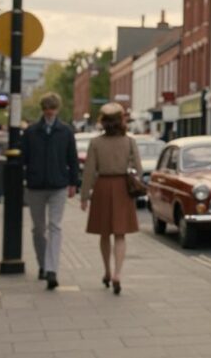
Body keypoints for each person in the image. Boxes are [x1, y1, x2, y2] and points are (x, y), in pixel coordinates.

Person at [80, 103, 141, 295]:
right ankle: (117, 273)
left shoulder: (96, 143)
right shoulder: (129, 142)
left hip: (102, 188)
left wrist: (84, 196)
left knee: (104, 233)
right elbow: (138, 169)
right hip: (122, 187)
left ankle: (106, 270)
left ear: (103, 121)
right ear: (121, 120)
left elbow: (89, 171)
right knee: (120, 234)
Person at [22, 92, 79, 290]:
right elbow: (24, 158)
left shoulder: (65, 131)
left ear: (57, 109)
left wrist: (73, 183)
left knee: (55, 226)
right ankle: (43, 264)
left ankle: (52, 270)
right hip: (36, 186)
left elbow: (72, 159)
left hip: (58, 186)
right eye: (47, 109)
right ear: (42, 109)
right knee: (38, 229)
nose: (49, 113)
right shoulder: (31, 132)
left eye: (52, 109)